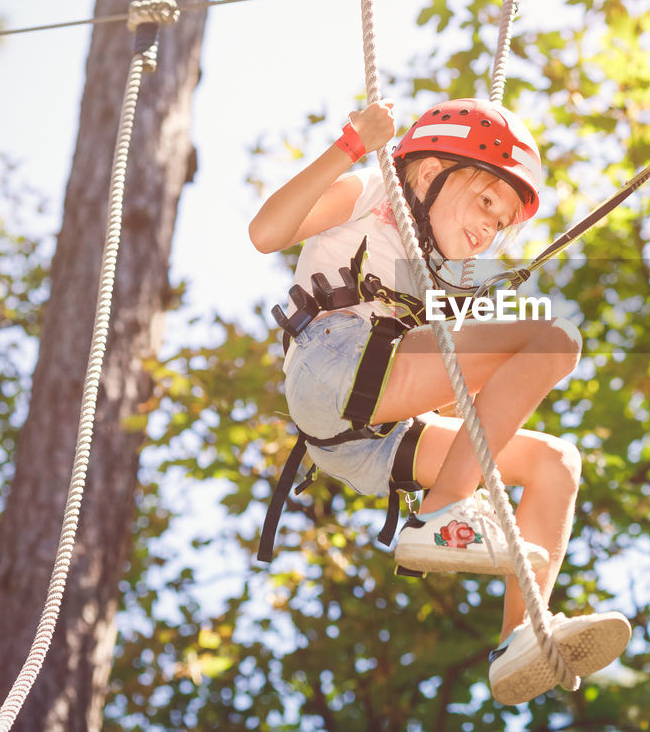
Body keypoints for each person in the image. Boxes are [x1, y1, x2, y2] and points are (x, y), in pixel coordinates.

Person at [248, 97, 630, 704]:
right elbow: (265, 232)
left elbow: (461, 414)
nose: (490, 228)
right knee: (552, 339)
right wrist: (352, 143)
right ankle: (443, 511)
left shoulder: (446, 284)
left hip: (365, 438)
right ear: (428, 175)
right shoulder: (373, 191)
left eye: (501, 222)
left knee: (557, 463)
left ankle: (522, 637)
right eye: (485, 202)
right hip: (334, 362)